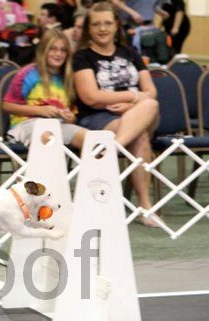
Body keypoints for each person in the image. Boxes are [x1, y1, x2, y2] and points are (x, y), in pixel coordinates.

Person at [73, 1, 160, 227]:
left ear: (116, 26)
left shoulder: (130, 53)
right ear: (89, 29)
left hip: (136, 114)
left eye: (108, 23)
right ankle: (145, 207)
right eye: (97, 24)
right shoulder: (82, 57)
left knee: (150, 106)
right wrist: (132, 98)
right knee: (140, 136)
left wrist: (132, 106)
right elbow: (91, 97)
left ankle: (112, 150)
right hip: (97, 117)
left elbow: (151, 92)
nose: (103, 29)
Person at [3, 29, 87, 150]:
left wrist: (70, 117)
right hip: (26, 124)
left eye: (63, 50)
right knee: (50, 138)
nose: (58, 54)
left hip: (60, 125)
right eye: (53, 49)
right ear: (43, 50)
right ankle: (52, 170)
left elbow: (73, 113)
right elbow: (7, 106)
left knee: (91, 140)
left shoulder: (68, 78)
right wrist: (40, 111)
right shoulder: (27, 74)